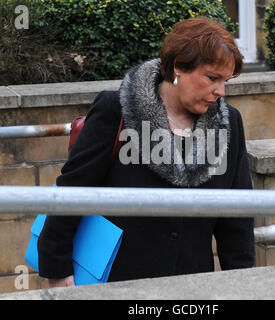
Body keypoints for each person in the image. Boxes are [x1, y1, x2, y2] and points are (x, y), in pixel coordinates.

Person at [37, 16, 255, 288]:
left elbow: (237, 217)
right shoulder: (115, 110)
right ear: (178, 67)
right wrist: (58, 270)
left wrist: (245, 283)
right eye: (212, 78)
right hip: (115, 284)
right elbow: (72, 190)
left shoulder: (229, 123)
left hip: (191, 286)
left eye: (226, 81)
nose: (220, 91)